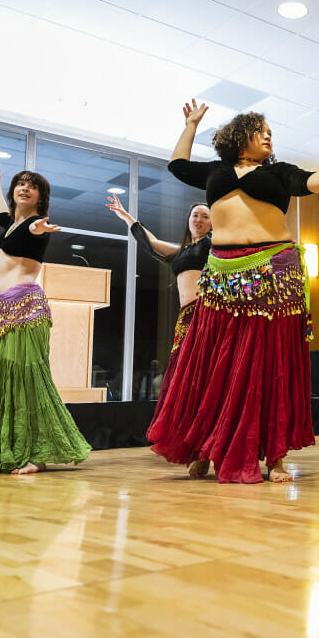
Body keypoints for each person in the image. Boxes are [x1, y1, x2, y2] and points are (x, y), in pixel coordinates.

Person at [159, 99, 319, 483]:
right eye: (261, 131)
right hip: (222, 270)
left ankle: (274, 458)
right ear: (241, 138)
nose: (268, 135)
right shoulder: (216, 171)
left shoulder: (279, 172)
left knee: (270, 363)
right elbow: (177, 165)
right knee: (215, 362)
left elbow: (308, 180)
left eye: (270, 132)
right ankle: (206, 446)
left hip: (273, 266)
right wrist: (190, 125)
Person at [0, 163, 91, 475]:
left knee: (25, 379)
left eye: (32, 186)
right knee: (2, 380)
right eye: (20, 184)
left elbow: (34, 229)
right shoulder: (11, 226)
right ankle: (11, 446)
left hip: (25, 309)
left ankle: (35, 454)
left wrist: (39, 227)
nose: (24, 188)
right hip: (1, 312)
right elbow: (1, 214)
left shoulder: (35, 225)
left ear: (40, 198)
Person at [105, 195, 212, 460]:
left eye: (205, 216)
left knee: (202, 375)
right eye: (195, 215)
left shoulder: (214, 246)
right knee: (185, 379)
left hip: (206, 314)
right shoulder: (183, 251)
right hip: (185, 318)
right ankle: (194, 442)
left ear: (213, 223)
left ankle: (207, 441)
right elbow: (151, 244)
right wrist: (128, 217)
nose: (198, 220)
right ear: (188, 221)